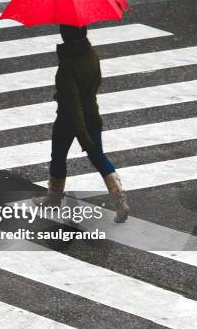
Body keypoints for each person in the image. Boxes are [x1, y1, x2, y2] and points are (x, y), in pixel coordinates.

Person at [33, 24, 130, 223]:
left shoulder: (67, 67)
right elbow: (96, 83)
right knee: (98, 157)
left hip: (69, 120)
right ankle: (118, 196)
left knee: (58, 156)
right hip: (92, 114)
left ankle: (53, 198)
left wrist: (83, 137)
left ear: (65, 36)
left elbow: (72, 105)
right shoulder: (92, 55)